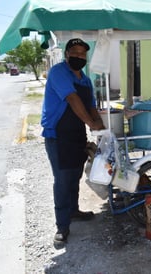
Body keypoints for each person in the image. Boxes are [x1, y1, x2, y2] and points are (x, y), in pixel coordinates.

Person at [41, 38, 105, 245]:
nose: (79, 56)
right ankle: (62, 226)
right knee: (62, 180)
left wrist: (100, 125)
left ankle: (73, 210)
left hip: (77, 133)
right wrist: (90, 122)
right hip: (58, 135)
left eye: (83, 53)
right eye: (75, 52)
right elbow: (72, 99)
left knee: (75, 174)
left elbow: (91, 104)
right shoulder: (59, 72)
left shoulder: (85, 79)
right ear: (66, 54)